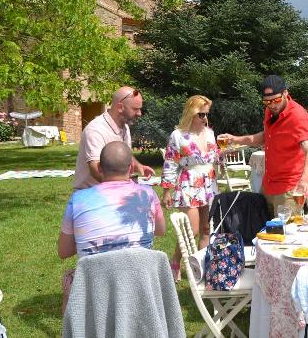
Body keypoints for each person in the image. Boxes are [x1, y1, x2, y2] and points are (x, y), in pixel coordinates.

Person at [58, 141, 165, 310]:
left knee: (68, 278)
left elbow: (64, 252)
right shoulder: (148, 194)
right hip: (140, 282)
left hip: (95, 287)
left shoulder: (78, 200)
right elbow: (160, 230)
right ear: (131, 169)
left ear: (99, 167)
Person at [217, 75, 308, 217]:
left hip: (289, 188)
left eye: (276, 100)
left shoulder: (297, 116)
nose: (272, 105)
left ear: (285, 93)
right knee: (265, 230)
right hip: (268, 184)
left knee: (286, 235)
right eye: (267, 101)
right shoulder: (270, 111)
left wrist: (305, 181)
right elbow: (266, 136)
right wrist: (234, 139)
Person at [161, 95, 220, 281]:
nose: (205, 119)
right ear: (191, 114)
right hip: (189, 183)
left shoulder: (209, 133)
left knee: (206, 229)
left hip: (209, 184)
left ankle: (200, 267)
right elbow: (170, 162)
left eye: (207, 115)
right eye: (201, 115)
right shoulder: (178, 135)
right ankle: (176, 261)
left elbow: (215, 155)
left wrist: (222, 156)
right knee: (191, 230)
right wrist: (167, 190)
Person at [73, 86, 155, 190]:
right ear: (120, 107)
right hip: (91, 195)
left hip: (113, 193)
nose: (139, 113)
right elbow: (95, 168)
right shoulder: (95, 130)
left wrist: (139, 166)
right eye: (135, 109)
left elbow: (124, 155)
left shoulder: (124, 126)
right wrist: (120, 187)